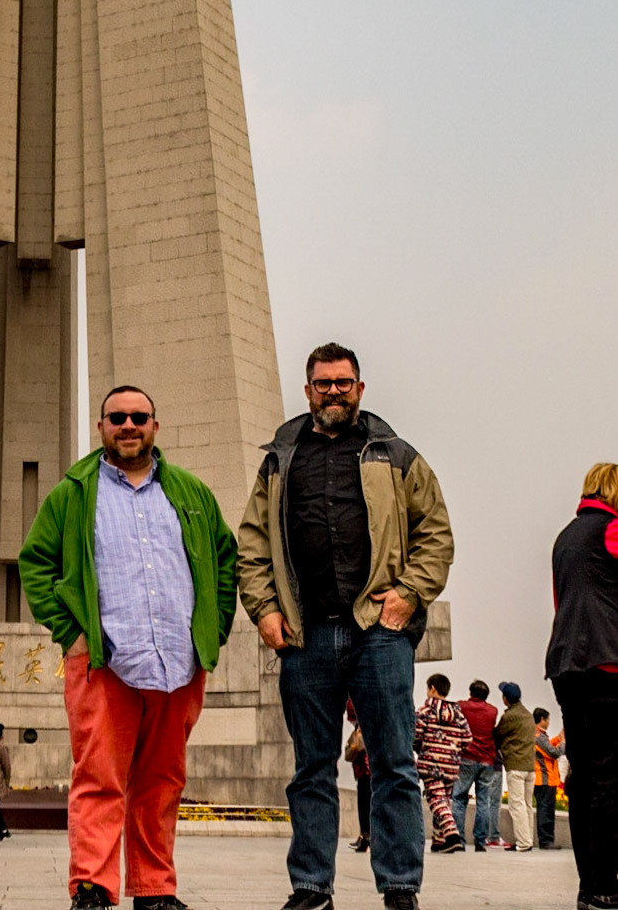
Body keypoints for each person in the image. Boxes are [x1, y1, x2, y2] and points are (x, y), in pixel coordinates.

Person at [237, 342, 454, 910]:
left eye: (344, 382)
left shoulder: (397, 455)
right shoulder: (279, 460)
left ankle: (400, 886)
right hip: (306, 638)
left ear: (360, 388)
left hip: (377, 634)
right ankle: (311, 886)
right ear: (307, 390)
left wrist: (407, 597)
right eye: (323, 382)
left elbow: (436, 535)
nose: (334, 390)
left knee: (394, 765)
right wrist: (263, 610)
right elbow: (253, 544)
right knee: (310, 769)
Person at [19, 383, 237, 910]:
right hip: (105, 662)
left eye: (139, 416)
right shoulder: (73, 492)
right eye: (117, 417)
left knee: (161, 782)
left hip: (178, 665)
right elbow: (36, 563)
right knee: (99, 778)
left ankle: (154, 887)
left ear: (155, 426)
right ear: (101, 427)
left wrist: (214, 627)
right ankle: (92, 886)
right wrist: (71, 635)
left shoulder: (190, 491)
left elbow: (225, 560)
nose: (129, 425)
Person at [545, 460, 618, 909]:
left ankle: (591, 886)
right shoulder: (612, 529)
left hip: (566, 665)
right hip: (608, 662)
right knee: (611, 777)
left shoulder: (565, 539)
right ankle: (608, 886)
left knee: (585, 777)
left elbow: (561, 601)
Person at [413, 674, 470, 852]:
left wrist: (421, 747)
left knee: (435, 799)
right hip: (451, 765)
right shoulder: (458, 714)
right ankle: (439, 840)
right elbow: (468, 738)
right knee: (445, 799)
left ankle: (452, 835)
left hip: (431, 763)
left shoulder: (425, 711)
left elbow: (415, 735)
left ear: (432, 688)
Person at [451, 679, 498, 850]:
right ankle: (480, 842)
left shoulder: (461, 706)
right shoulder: (493, 711)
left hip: (466, 756)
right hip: (487, 760)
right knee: (483, 801)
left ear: (471, 692)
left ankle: (459, 839)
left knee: (458, 798)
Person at [493, 682, 535, 852]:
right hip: (530, 766)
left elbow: (497, 734)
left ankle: (523, 843)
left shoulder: (509, 716)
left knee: (516, 805)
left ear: (505, 699)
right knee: (527, 805)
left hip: (515, 766)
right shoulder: (528, 715)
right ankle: (528, 839)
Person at [532, 709, 564, 850]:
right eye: (548, 719)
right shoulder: (538, 736)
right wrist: (562, 743)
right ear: (542, 719)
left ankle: (547, 840)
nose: (549, 722)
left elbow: (548, 746)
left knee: (547, 810)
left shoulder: (539, 735)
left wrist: (558, 738)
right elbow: (553, 752)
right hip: (544, 779)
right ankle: (546, 841)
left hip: (547, 779)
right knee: (546, 811)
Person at [344, 701, 371, 853]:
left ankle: (365, 836)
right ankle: (369, 835)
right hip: (377, 762)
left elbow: (351, 709)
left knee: (364, 799)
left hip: (365, 765)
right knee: (371, 798)